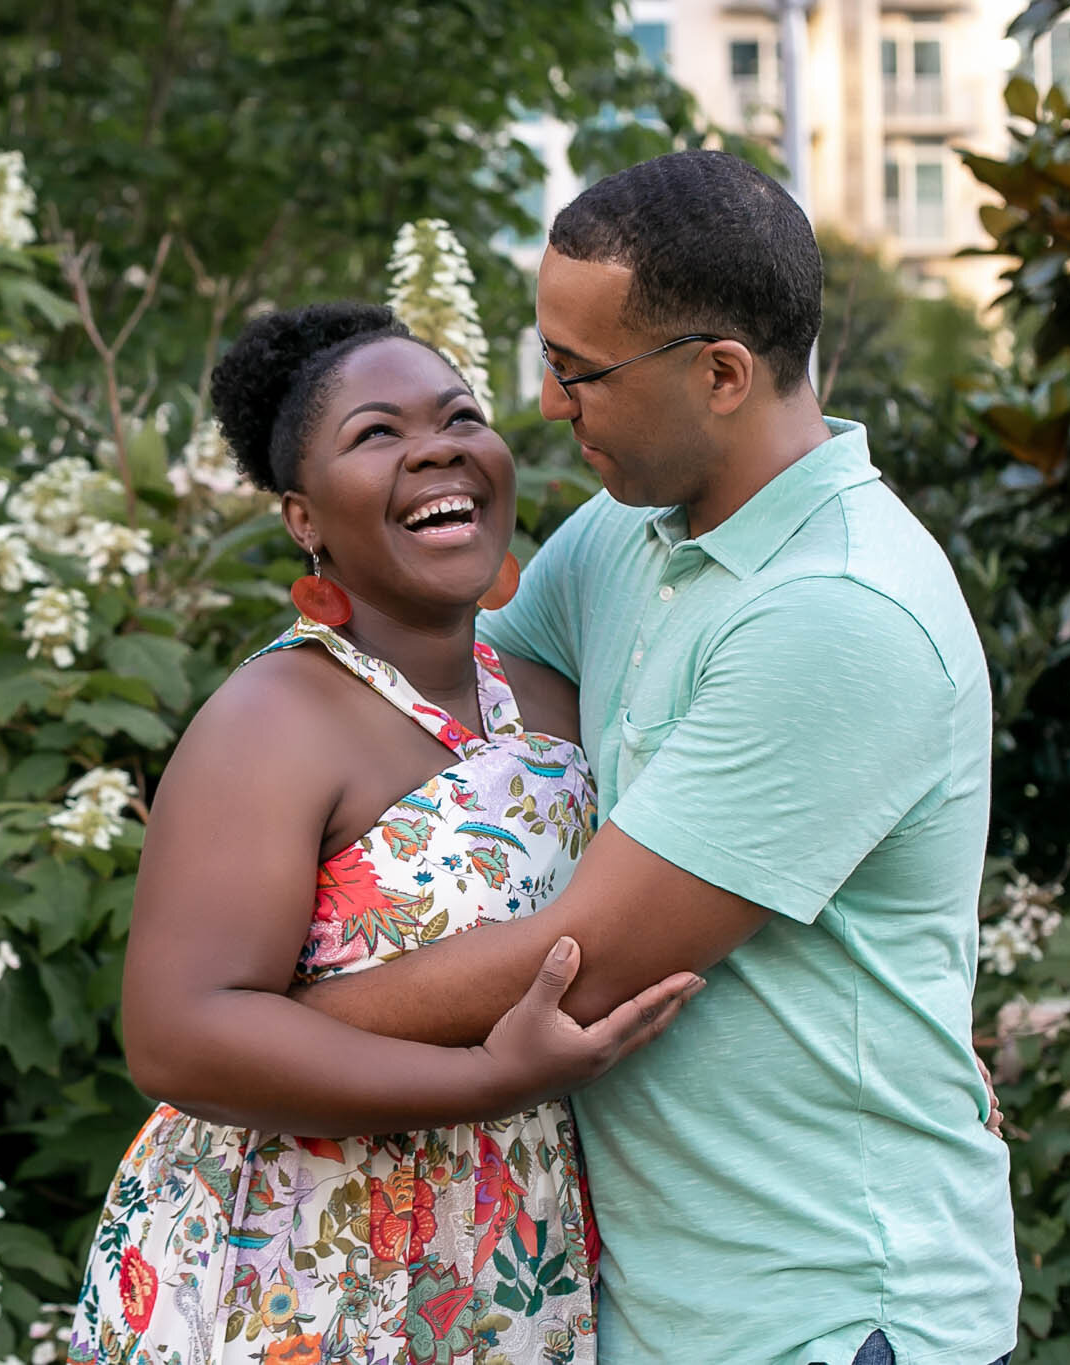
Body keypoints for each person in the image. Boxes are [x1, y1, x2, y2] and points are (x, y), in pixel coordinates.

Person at [295, 151, 1019, 1364]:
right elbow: (443, 705)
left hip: (827, 1313)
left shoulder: (837, 615)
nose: (546, 405)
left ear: (720, 374)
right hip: (662, 1308)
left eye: (578, 372)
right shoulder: (627, 533)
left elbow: (577, 967)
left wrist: (263, 1033)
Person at [64, 302, 703, 1365]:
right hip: (286, 1267)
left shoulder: (544, 698)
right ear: (302, 518)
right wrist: (489, 1082)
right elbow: (179, 1035)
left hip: (496, 1257)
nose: (435, 447)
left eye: (457, 415)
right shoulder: (274, 718)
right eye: (376, 434)